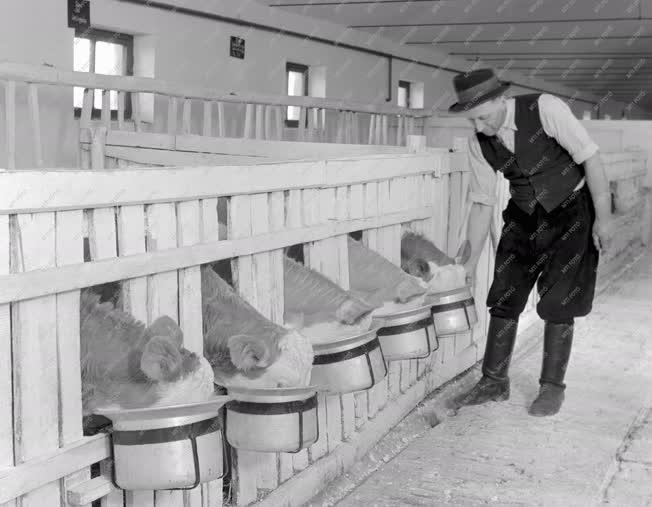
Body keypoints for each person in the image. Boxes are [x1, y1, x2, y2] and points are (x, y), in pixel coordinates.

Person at [449, 68, 612, 416]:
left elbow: (591, 159)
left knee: (559, 299)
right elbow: (481, 203)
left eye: (483, 116)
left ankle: (552, 388)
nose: (479, 127)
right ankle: (493, 382)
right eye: (471, 120)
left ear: (500, 100)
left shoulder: (546, 109)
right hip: (523, 218)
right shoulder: (477, 143)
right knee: (504, 295)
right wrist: (469, 263)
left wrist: (604, 218)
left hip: (571, 212)